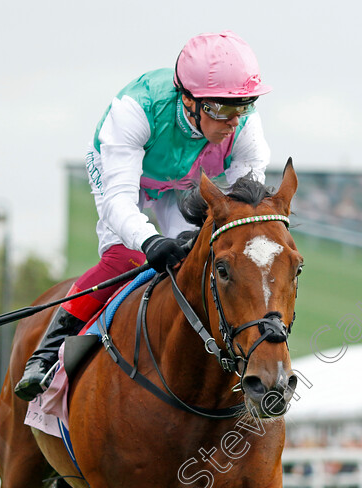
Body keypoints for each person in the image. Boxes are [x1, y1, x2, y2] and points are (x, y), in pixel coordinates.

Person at [14, 31, 273, 401]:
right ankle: (47, 349)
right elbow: (120, 202)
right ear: (188, 100)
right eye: (223, 110)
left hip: (184, 182)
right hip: (127, 178)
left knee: (200, 260)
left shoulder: (246, 125)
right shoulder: (134, 110)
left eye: (243, 106)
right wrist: (150, 241)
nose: (234, 121)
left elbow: (245, 206)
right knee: (127, 257)